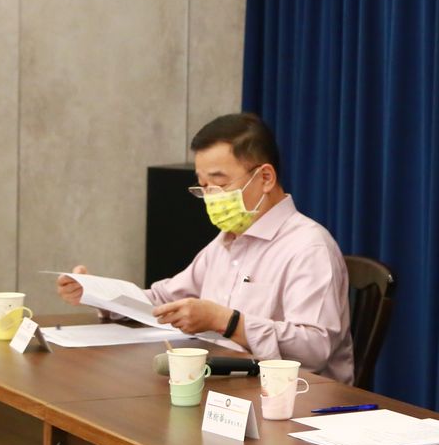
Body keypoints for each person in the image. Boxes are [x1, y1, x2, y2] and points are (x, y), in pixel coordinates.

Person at [56, 113, 355, 384]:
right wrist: (97, 292)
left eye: (219, 184)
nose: (211, 197)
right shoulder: (227, 241)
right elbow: (164, 300)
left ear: (265, 178)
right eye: (203, 187)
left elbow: (315, 348)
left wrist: (227, 321)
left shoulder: (308, 247)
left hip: (295, 398)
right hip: (226, 386)